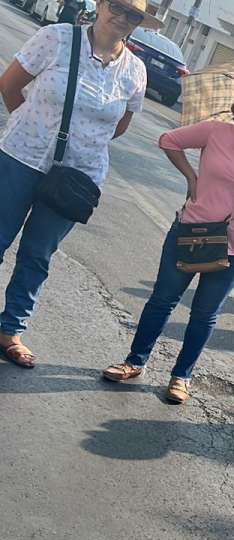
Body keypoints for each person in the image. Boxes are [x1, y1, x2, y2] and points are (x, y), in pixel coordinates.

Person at [102, 89, 234, 404]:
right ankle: (134, 362)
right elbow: (169, 140)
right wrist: (191, 176)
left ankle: (181, 377)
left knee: (204, 315)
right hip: (189, 233)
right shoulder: (217, 132)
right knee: (162, 300)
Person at [0, 1, 152, 369]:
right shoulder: (56, 38)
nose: (122, 17)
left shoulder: (135, 70)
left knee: (38, 255)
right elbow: (10, 86)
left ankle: (10, 330)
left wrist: (78, 146)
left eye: (133, 15)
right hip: (22, 156)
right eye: (117, 6)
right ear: (100, 5)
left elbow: (119, 126)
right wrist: (36, 126)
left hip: (77, 176)